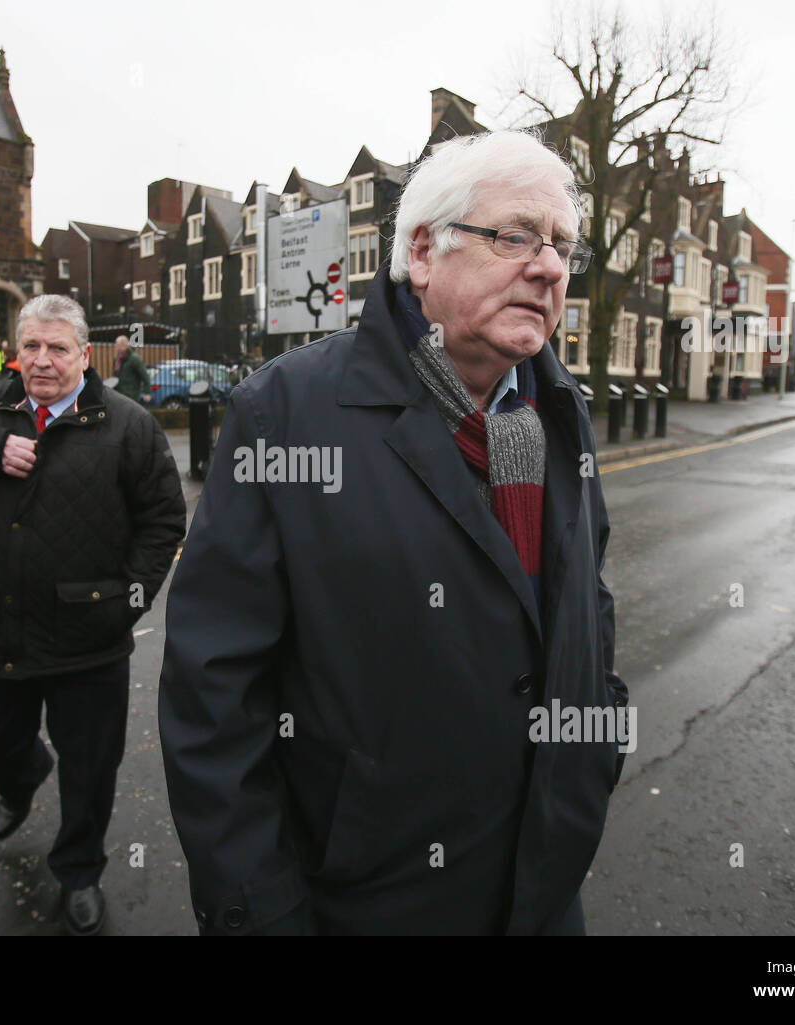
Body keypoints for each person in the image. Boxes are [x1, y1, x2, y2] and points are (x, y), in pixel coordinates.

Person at [158, 129, 629, 935]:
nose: (549, 266)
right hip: (370, 898)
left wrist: (593, 747)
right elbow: (215, 702)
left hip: (544, 884)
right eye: (515, 235)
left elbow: (585, 598)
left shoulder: (558, 410)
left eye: (561, 245)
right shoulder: (285, 414)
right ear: (422, 251)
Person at [0, 294, 186, 935]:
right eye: (31, 347)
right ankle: (20, 777)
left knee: (89, 768)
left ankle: (79, 872)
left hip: (88, 641)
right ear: (14, 351)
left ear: (85, 354)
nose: (43, 361)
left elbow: (164, 521)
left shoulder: (129, 425)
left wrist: (125, 605)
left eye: (57, 348)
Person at [112, 335, 151, 403]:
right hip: (119, 394)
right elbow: (115, 376)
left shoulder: (135, 359)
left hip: (131, 396)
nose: (116, 347)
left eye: (117, 345)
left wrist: (147, 393)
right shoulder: (117, 360)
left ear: (124, 346)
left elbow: (145, 376)